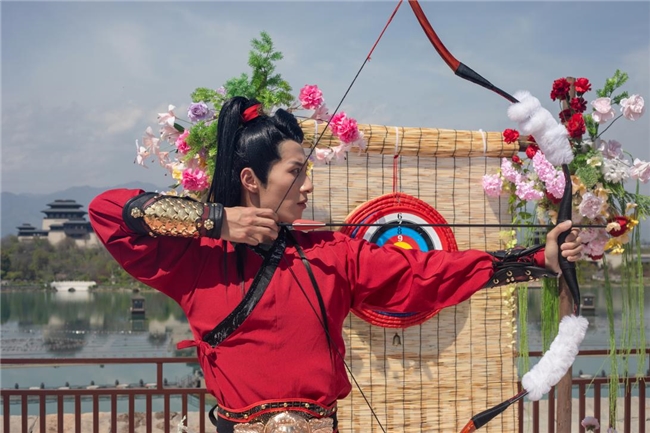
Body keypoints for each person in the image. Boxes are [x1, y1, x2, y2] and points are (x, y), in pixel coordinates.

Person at [89, 97, 583, 433]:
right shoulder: (200, 258)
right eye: (295, 171)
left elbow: (426, 275)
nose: (307, 185)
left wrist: (538, 259)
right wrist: (215, 221)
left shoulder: (331, 252)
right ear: (251, 180)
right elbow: (107, 212)